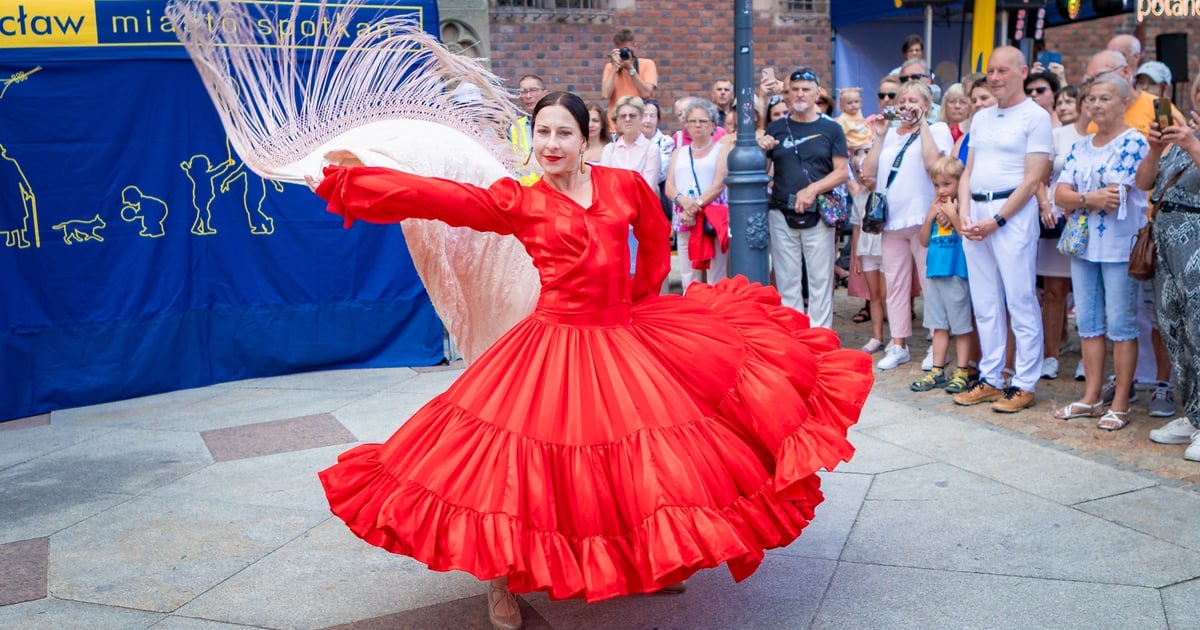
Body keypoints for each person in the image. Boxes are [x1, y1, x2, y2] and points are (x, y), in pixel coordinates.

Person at [312, 91, 872, 627]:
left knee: (650, 460)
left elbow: (654, 242)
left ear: (586, 138)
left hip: (622, 333)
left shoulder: (624, 185)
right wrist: (357, 181)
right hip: (550, 345)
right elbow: (438, 197)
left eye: (563, 133)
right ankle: (500, 579)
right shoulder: (520, 199)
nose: (551, 144)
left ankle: (658, 556)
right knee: (512, 468)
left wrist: (639, 301)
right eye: (542, 133)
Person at [951, 46, 1052, 413]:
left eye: (1002, 71)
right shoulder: (982, 118)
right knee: (985, 301)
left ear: (1022, 72)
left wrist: (997, 220)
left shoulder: (1035, 117)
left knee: (1020, 298)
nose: (994, 78)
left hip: (1012, 213)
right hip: (976, 210)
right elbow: (968, 171)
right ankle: (991, 377)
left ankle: (1024, 382)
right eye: (990, 71)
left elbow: (1033, 179)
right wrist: (965, 212)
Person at [1051, 74, 1148, 431]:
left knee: (1121, 325)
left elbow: (1114, 196)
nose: (1095, 105)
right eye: (1090, 99)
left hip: (1120, 246)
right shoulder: (1080, 146)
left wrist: (1080, 198)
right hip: (1083, 246)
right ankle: (1091, 397)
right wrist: (1087, 198)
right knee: (1089, 324)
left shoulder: (1133, 142)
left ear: (1124, 102)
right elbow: (1060, 194)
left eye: (1104, 98)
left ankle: (1120, 402)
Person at [860, 79, 953, 371]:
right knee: (896, 284)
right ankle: (898, 343)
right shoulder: (888, 134)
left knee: (930, 283)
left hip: (923, 218)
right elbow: (868, 172)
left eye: (914, 101)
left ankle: (937, 344)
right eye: (902, 101)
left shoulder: (938, 129)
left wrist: (922, 124)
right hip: (890, 221)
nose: (907, 106)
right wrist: (879, 136)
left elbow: (933, 165)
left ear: (926, 105)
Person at [1136, 75, 1200, 462]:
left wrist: (1192, 144)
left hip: (1197, 242)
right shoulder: (1180, 137)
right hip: (1166, 244)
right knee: (1175, 330)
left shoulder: (1190, 140)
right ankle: (1193, 415)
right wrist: (1154, 150)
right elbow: (1144, 182)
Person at [758, 67, 850, 328]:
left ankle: (821, 336)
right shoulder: (775, 127)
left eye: (806, 90)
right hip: (780, 211)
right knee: (787, 280)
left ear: (817, 94)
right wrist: (760, 149)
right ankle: (794, 334)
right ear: (787, 94)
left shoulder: (831, 129)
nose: (800, 94)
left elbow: (842, 172)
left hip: (818, 212)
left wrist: (813, 189)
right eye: (795, 89)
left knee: (821, 280)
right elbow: (762, 172)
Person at [911, 156, 973, 394]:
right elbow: (924, 241)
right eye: (937, 185)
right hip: (935, 272)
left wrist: (953, 214)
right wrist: (929, 217)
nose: (941, 190)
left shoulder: (963, 208)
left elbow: (967, 236)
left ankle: (962, 370)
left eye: (947, 184)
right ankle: (937, 370)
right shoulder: (935, 207)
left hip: (956, 272)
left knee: (961, 326)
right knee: (938, 326)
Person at [1040, 85, 1087, 381]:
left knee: (1086, 292)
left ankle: (1087, 357)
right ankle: (1050, 355)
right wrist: (1046, 205)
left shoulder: (1096, 135)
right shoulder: (1055, 136)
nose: (1065, 105)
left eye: (1072, 100)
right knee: (1054, 291)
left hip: (1087, 218)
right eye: (1060, 101)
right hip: (1055, 219)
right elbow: (1040, 178)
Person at [665, 99, 732, 288]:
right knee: (688, 273)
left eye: (703, 121)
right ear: (686, 124)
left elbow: (719, 184)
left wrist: (694, 206)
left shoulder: (722, 150)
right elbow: (669, 186)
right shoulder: (678, 152)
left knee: (716, 273)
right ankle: (691, 304)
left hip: (711, 220)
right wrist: (684, 203)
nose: (697, 125)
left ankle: (716, 305)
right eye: (692, 121)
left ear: (713, 125)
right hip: (685, 218)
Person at [601, 29, 657, 119]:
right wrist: (614, 67)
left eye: (626, 50)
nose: (624, 53)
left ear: (635, 47)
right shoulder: (610, 67)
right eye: (620, 51)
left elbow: (646, 93)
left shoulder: (647, 64)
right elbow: (605, 95)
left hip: (639, 122)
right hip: (615, 122)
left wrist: (630, 68)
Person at [510, 74, 548, 185]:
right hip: (525, 189)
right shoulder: (515, 127)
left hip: (552, 188)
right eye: (523, 92)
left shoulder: (557, 122)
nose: (528, 96)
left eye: (533, 90)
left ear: (545, 93)